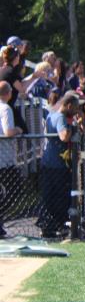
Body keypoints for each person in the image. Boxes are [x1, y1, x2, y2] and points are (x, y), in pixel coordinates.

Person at [40, 93, 80, 238]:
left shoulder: (51, 115)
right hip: (57, 164)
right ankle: (56, 225)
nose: (76, 111)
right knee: (59, 196)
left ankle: (48, 225)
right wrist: (73, 127)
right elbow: (64, 136)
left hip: (49, 162)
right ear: (68, 105)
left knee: (49, 195)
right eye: (75, 108)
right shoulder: (60, 117)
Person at [0, 81, 23, 236]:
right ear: (8, 93)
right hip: (4, 159)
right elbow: (8, 131)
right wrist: (19, 129)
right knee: (12, 190)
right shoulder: (5, 108)